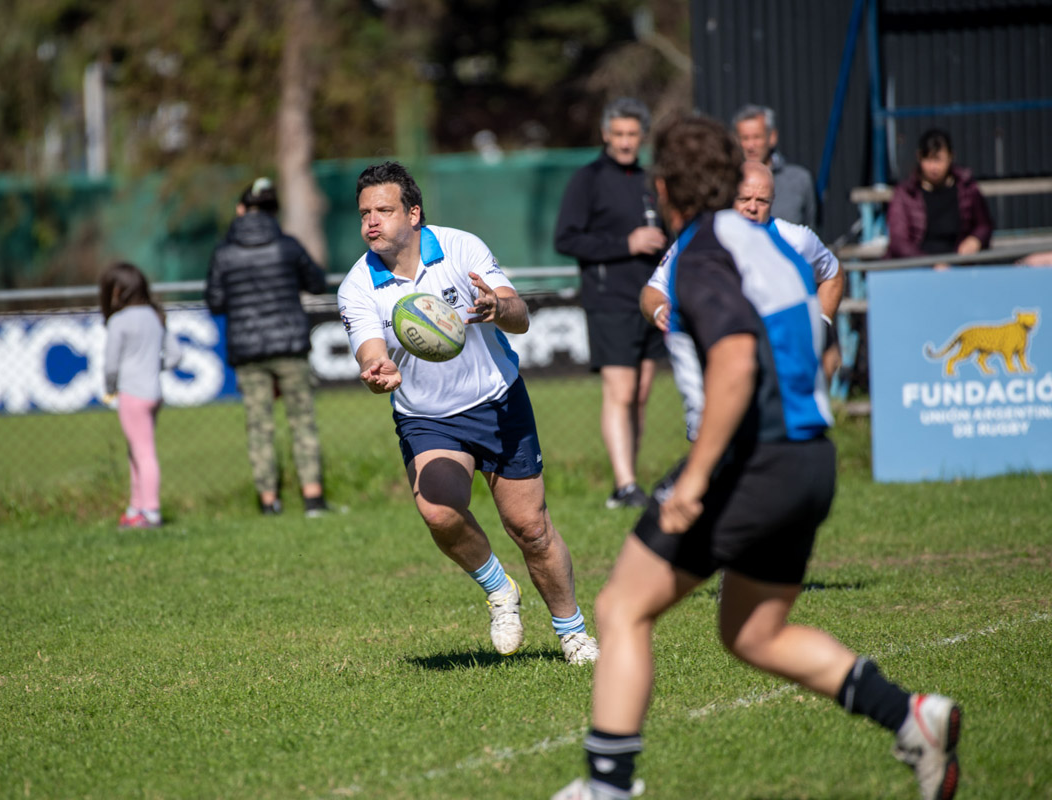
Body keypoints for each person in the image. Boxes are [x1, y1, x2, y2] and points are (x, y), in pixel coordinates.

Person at [554, 115, 960, 800]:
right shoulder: (766, 245)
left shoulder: (704, 248)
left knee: (622, 606)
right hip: (809, 462)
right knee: (754, 633)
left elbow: (737, 364)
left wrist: (696, 478)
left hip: (757, 462)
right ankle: (910, 716)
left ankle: (606, 788)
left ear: (666, 186)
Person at [339, 161, 598, 664]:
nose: (372, 221)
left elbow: (518, 313)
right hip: (426, 416)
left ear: (414, 214)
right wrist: (379, 373)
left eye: (384, 210)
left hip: (498, 402)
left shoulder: (461, 247)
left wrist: (498, 307)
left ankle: (573, 633)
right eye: (365, 213)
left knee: (530, 528)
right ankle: (501, 590)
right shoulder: (357, 286)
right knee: (437, 510)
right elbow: (370, 353)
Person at [554, 97, 668, 510]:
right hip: (610, 301)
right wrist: (627, 243)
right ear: (605, 134)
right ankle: (624, 485)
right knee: (620, 392)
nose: (624, 142)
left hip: (653, 300)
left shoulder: (652, 179)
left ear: (642, 136)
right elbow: (566, 238)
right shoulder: (587, 179)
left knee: (641, 395)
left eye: (632, 134)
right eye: (617, 134)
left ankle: (630, 482)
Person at [643, 160, 846, 381]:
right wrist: (659, 310)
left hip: (780, 367)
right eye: (744, 199)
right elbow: (652, 291)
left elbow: (833, 275)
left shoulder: (796, 239)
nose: (752, 207)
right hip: (720, 361)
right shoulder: (701, 238)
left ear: (773, 201)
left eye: (762, 201)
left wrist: (820, 326)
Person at [206, 178, 332, 517]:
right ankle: (313, 499)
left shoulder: (224, 251)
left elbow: (215, 302)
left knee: (259, 426)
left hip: (247, 350)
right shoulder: (287, 245)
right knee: (302, 421)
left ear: (240, 209)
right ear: (274, 210)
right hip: (290, 344)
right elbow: (317, 283)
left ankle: (268, 501)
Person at [101, 261, 182, 529]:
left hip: (132, 394)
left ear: (117, 292)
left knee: (143, 452)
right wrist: (153, 367)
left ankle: (150, 511)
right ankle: (136, 508)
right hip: (155, 394)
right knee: (136, 451)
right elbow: (176, 356)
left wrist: (111, 387)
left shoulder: (119, 322)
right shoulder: (154, 316)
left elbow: (111, 364)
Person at [886, 128, 993, 270]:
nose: (933, 167)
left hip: (959, 265)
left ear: (951, 157)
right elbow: (899, 241)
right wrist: (930, 263)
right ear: (919, 157)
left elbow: (984, 224)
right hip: (917, 268)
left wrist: (975, 240)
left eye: (939, 160)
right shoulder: (905, 193)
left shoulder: (967, 187)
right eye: (928, 159)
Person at [732, 104, 817, 228]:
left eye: (757, 137)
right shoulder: (726, 182)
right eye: (745, 138)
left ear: (772, 137)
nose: (751, 145)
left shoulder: (799, 180)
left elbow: (811, 229)